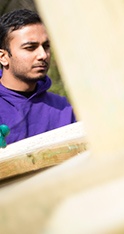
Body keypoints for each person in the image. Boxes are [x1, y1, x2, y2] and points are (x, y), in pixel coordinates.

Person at [0, 9, 76, 145]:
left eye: (46, 46)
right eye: (30, 47)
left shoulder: (63, 109)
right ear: (3, 57)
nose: (43, 55)